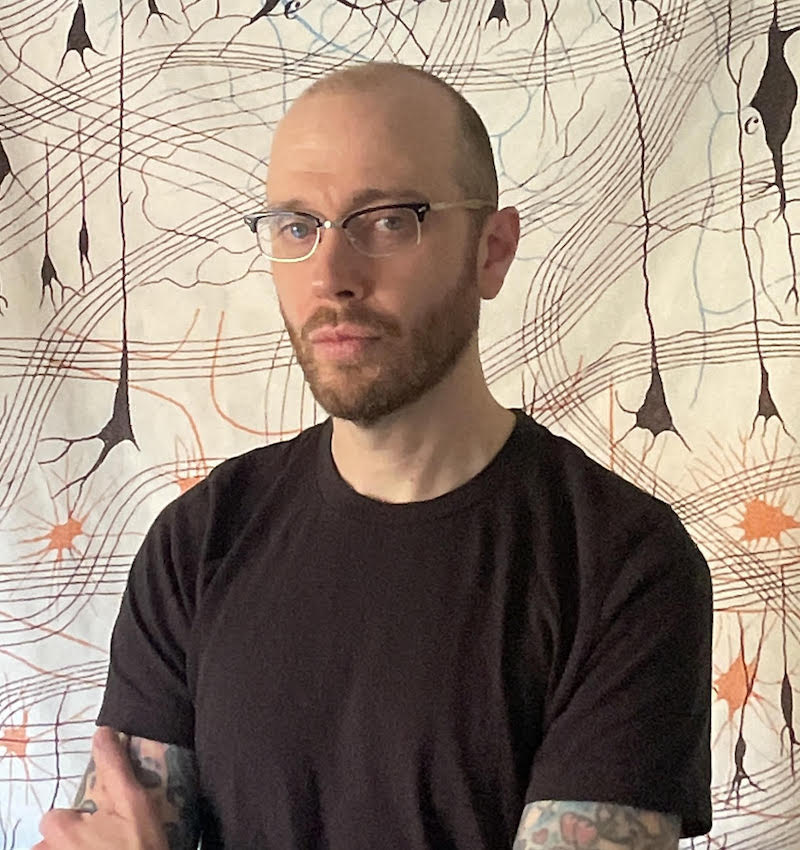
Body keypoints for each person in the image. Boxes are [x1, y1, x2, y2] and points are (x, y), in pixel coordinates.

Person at [35, 61, 712, 850]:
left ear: (492, 251)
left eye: (387, 221)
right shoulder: (198, 542)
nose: (331, 276)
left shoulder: (623, 564)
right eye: (298, 226)